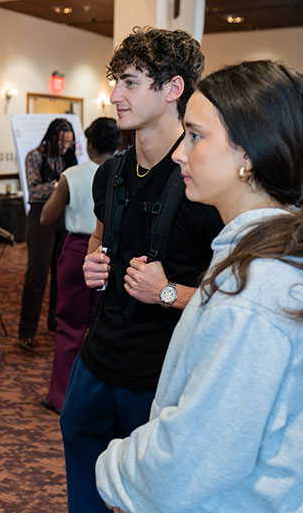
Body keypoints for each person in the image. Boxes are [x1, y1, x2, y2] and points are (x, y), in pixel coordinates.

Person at [95, 60, 303, 513]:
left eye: (196, 136)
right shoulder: (265, 258)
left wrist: (116, 471)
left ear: (247, 153)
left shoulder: (255, 291)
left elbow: (197, 455)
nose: (179, 153)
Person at [61, 27, 222, 512]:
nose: (114, 96)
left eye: (130, 83)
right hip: (95, 363)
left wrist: (168, 292)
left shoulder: (203, 181)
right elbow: (99, 234)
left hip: (162, 381)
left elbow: (234, 299)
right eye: (117, 83)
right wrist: (94, 258)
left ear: (173, 89)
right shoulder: (110, 173)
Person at [38, 117, 120, 413]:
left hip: (77, 252)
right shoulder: (126, 173)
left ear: (88, 144)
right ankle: (98, 398)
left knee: (70, 325)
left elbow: (46, 217)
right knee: (106, 326)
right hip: (113, 255)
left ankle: (61, 397)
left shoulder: (73, 175)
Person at [17, 117, 77, 350]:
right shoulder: (35, 155)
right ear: (52, 138)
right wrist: (59, 185)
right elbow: (33, 190)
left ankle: (55, 322)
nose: (66, 147)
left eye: (69, 143)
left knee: (62, 273)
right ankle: (27, 331)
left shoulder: (68, 157)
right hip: (41, 217)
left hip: (65, 216)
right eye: (62, 142)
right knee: (37, 274)